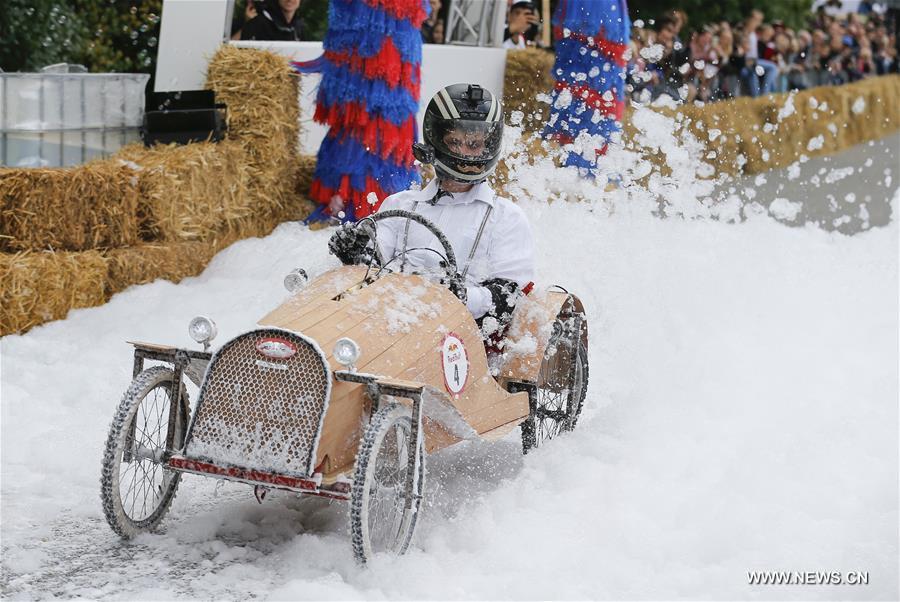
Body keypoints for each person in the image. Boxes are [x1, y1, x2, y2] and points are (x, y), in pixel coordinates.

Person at [329, 84, 535, 336]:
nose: (465, 153)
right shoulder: (399, 204)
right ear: (435, 141)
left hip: (459, 338)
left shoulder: (506, 217)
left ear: (489, 146)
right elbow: (372, 268)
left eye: (474, 144)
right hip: (386, 323)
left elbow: (510, 298)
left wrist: (461, 295)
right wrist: (355, 252)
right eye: (455, 142)